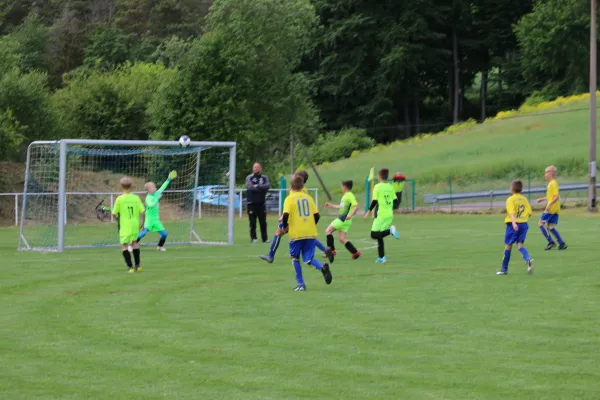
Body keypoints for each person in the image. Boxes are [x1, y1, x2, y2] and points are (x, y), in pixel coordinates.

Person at [260, 170, 333, 264]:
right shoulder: (304, 190)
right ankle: (325, 249)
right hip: (303, 220)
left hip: (294, 220)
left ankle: (270, 256)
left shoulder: (296, 190)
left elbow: (292, 205)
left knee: (278, 233)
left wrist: (284, 217)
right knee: (308, 237)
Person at [282, 173, 332, 291]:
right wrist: (310, 225)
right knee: (308, 259)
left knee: (295, 258)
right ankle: (322, 267)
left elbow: (285, 215)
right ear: (302, 185)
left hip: (296, 234)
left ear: (291, 186)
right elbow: (317, 215)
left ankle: (301, 284)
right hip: (310, 232)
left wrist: (285, 227)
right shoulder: (308, 198)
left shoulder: (289, 198)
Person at [498, 180, 534, 275]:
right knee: (520, 246)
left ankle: (504, 269)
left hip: (513, 224)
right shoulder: (524, 199)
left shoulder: (510, 199)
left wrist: (514, 223)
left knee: (508, 246)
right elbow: (529, 212)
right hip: (524, 224)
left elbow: (512, 212)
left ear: (512, 188)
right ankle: (528, 258)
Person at [364, 168, 399, 263]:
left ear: (379, 176)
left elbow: (375, 201)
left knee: (373, 234)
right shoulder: (390, 187)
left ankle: (390, 230)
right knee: (379, 236)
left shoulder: (377, 187)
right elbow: (396, 202)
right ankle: (382, 257)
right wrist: (389, 207)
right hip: (389, 215)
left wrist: (368, 211)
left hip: (382, 214)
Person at [137, 170, 177, 251]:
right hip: (149, 219)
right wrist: (157, 199)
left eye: (155, 186)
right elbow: (151, 205)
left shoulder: (157, 193)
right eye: (152, 187)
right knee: (144, 233)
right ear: (148, 190)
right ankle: (132, 244)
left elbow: (163, 187)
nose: (155, 188)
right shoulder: (148, 198)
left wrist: (168, 179)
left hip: (156, 220)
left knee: (164, 234)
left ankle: (160, 246)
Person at [112, 177, 145, 273]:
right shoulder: (136, 198)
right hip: (134, 224)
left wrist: (116, 219)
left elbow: (114, 214)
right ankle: (138, 265)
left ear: (121, 186)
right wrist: (142, 223)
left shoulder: (119, 199)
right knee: (135, 243)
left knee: (125, 245)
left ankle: (130, 267)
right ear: (132, 186)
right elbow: (143, 212)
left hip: (125, 225)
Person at [324, 180, 361, 259]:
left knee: (328, 231)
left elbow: (356, 206)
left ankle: (331, 251)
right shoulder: (346, 196)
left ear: (344, 187)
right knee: (342, 239)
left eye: (342, 186)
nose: (341, 187)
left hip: (342, 219)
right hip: (346, 221)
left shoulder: (349, 195)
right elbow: (341, 207)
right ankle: (355, 252)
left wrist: (351, 215)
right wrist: (331, 205)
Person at [536, 165, 568, 251]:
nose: (545, 174)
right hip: (556, 208)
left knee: (540, 223)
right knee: (550, 227)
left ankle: (551, 242)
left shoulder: (552, 183)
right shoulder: (553, 183)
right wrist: (542, 199)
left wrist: (549, 205)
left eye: (546, 173)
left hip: (551, 208)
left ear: (551, 173)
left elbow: (556, 196)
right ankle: (561, 243)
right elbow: (552, 196)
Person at [246, 162, 271, 243]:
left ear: (260, 168)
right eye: (254, 167)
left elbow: (267, 186)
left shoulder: (264, 178)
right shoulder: (249, 177)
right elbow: (250, 188)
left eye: (257, 167)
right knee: (252, 222)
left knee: (263, 222)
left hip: (262, 203)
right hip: (251, 203)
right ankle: (254, 238)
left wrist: (257, 186)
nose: (255, 168)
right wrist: (261, 188)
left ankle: (265, 238)